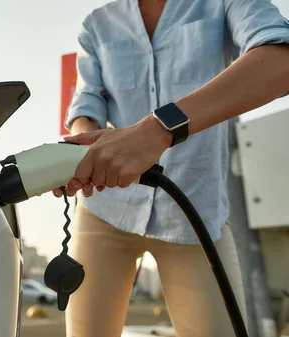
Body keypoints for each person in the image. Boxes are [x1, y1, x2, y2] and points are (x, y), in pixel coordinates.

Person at [54, 0, 289, 336]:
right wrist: (85, 152)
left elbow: (281, 58)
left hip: (194, 208)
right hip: (104, 211)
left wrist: (158, 129)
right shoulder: (96, 24)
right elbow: (86, 103)